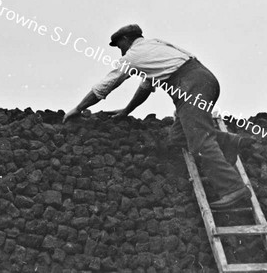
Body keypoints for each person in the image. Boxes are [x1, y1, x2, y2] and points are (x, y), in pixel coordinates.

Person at [63, 24, 250, 208]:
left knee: (200, 140)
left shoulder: (133, 56)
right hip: (204, 80)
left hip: (191, 86)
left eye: (119, 46)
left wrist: (78, 108)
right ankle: (230, 142)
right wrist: (126, 111)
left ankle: (233, 189)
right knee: (177, 137)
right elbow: (146, 87)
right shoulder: (155, 46)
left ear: (126, 40)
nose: (120, 53)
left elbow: (108, 84)